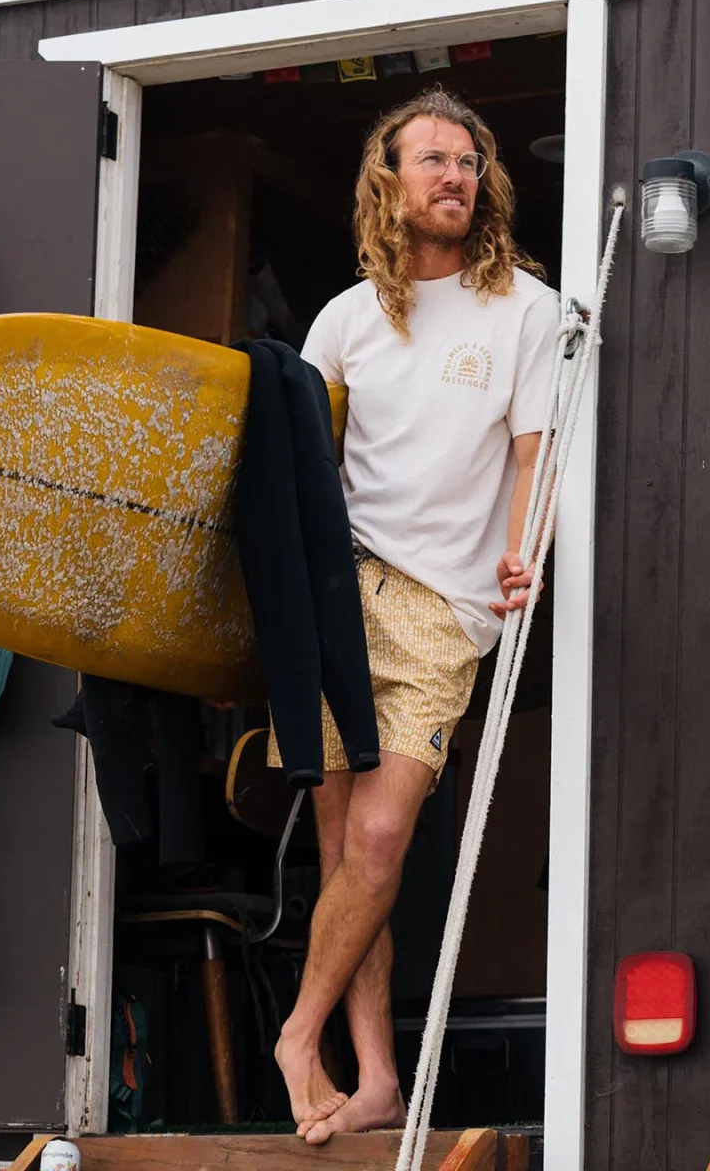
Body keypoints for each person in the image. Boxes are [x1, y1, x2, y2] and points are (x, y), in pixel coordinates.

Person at [271, 88, 560, 1144]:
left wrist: (527, 553)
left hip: (446, 606)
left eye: (469, 162)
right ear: (386, 182)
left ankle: (297, 1035)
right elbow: (296, 469)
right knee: (346, 848)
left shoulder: (527, 308)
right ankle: (379, 1080)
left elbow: (534, 454)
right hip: (341, 596)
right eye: (433, 159)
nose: (455, 176)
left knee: (383, 832)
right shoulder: (346, 319)